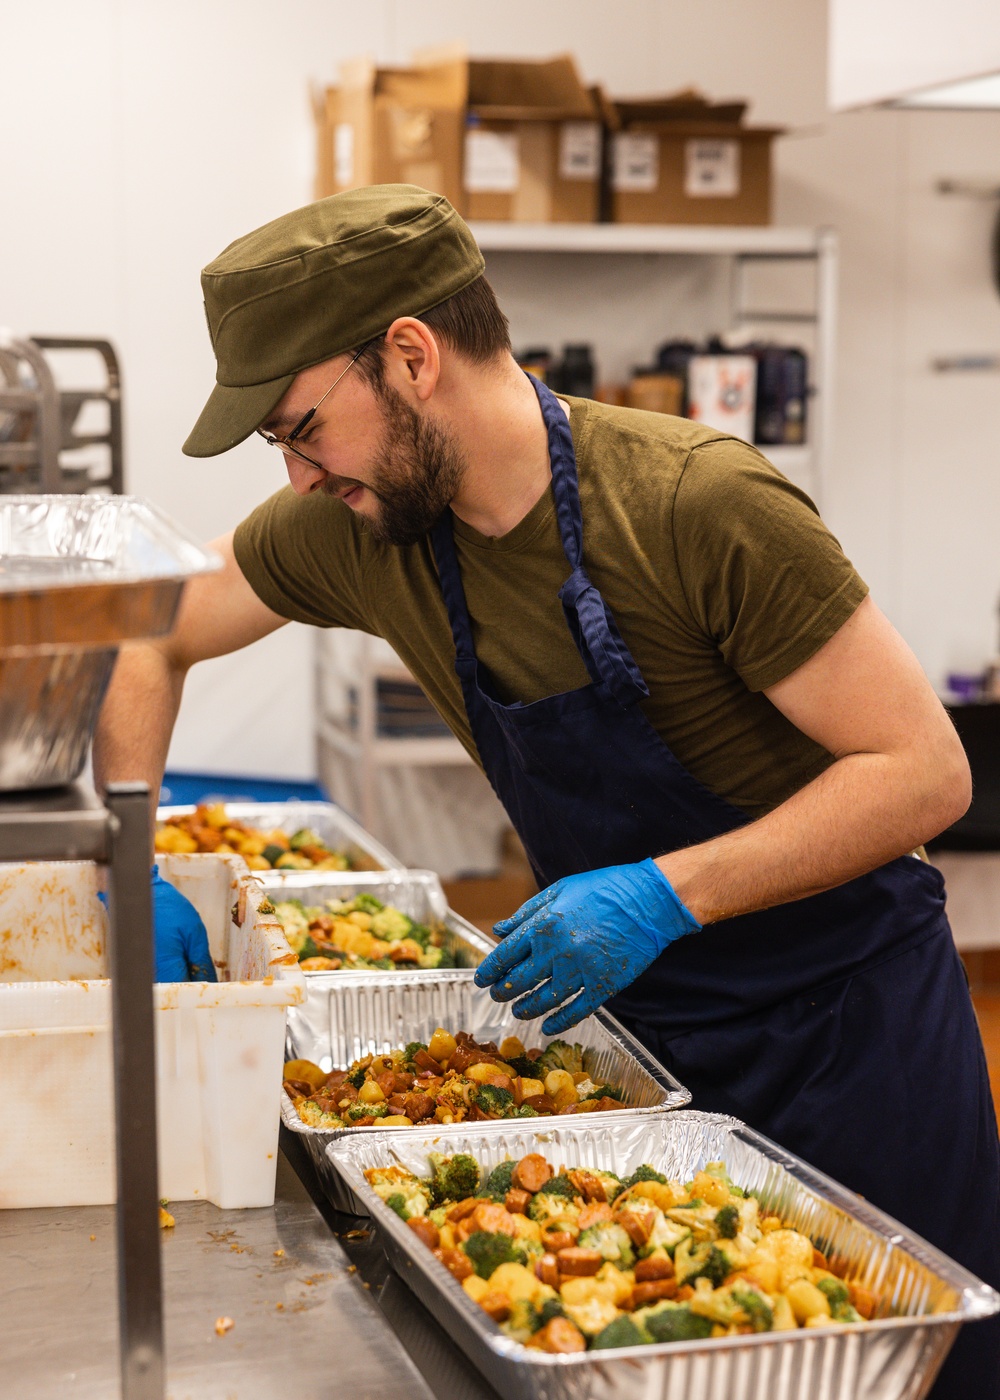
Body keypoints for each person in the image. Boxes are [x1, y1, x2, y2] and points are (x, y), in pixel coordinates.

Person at [93, 185, 999, 1394]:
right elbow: (143, 630)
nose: (301, 477)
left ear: (408, 356)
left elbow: (925, 771)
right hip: (639, 1040)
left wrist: (665, 892)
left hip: (849, 1039)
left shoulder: (694, 504)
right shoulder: (368, 533)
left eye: (302, 426)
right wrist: (130, 847)